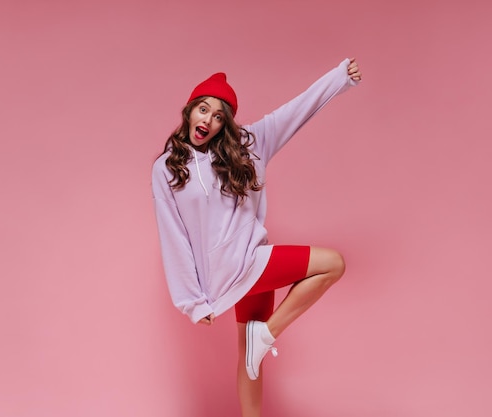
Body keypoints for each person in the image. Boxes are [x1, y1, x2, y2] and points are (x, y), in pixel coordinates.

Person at [152, 58, 362, 417]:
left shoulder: (249, 145)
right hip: (233, 269)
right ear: (189, 111)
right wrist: (193, 301)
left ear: (224, 124)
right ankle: (265, 335)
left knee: (251, 361)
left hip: (252, 261)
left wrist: (338, 77)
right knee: (333, 264)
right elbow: (174, 237)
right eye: (203, 110)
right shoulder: (166, 169)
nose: (208, 120)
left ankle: (259, 347)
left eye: (219, 116)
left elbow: (295, 111)